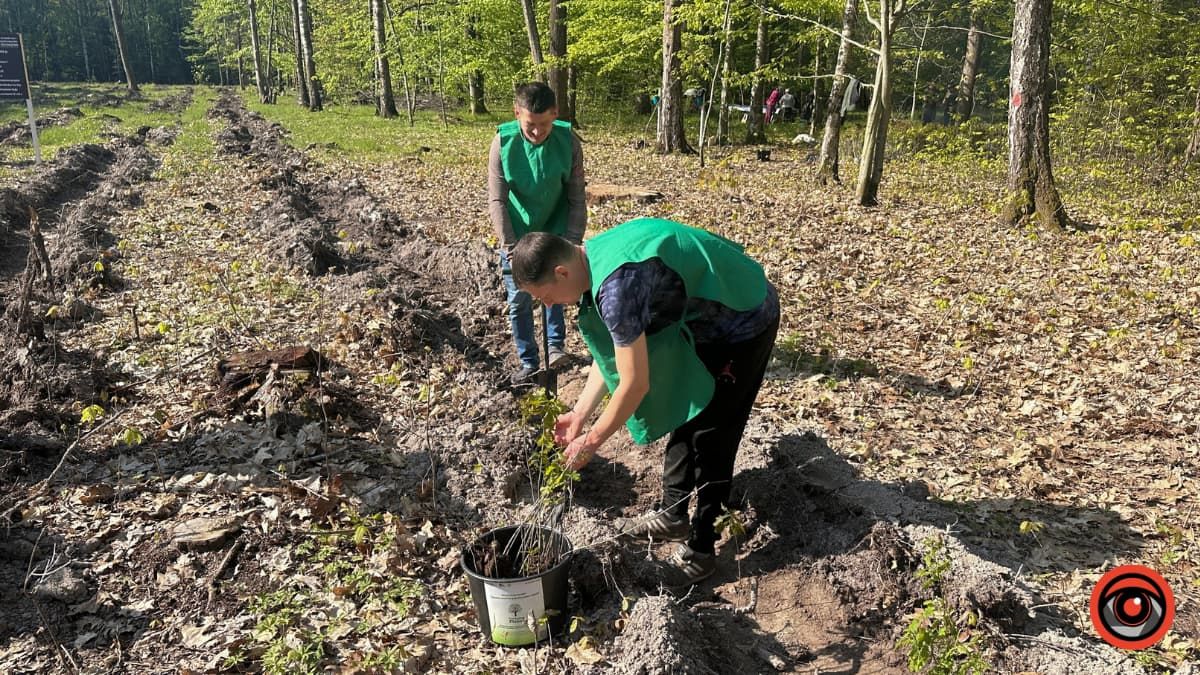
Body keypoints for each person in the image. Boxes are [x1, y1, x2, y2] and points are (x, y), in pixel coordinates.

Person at [510, 218, 780, 585]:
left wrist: (590, 442)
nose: (550, 306)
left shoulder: (617, 288)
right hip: (700, 318)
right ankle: (672, 514)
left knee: (713, 434)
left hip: (743, 318)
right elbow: (612, 358)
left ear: (560, 272)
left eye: (545, 298)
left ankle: (702, 550)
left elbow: (633, 384)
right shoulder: (590, 259)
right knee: (686, 409)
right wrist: (579, 415)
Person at [488, 82, 586, 384]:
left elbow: (576, 197)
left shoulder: (568, 141)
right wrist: (510, 246)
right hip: (517, 233)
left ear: (555, 114)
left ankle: (555, 347)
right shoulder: (502, 144)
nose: (537, 131)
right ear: (517, 113)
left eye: (545, 124)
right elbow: (497, 200)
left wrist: (572, 240)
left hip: (555, 230)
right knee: (519, 298)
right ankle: (529, 361)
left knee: (554, 290)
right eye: (530, 124)